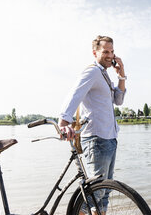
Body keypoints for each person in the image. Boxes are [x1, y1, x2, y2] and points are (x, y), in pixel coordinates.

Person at [58, 35, 126, 214]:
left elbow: (118, 100)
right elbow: (75, 93)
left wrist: (121, 75)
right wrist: (64, 122)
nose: (110, 55)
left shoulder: (104, 75)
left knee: (103, 194)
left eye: (112, 51)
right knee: (93, 194)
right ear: (95, 52)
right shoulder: (93, 72)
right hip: (96, 139)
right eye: (105, 51)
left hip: (110, 138)